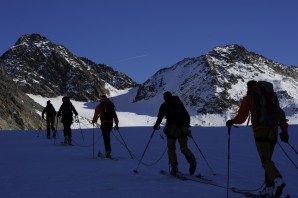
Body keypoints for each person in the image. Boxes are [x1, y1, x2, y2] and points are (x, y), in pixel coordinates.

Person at [226, 80, 289, 198]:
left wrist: (232, 122)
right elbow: (280, 113)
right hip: (274, 131)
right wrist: (284, 131)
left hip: (260, 131)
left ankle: (277, 179)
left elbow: (242, 117)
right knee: (268, 160)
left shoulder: (249, 97)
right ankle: (269, 189)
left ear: (249, 87)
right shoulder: (271, 96)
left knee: (265, 160)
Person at [153, 91, 196, 176]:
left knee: (171, 148)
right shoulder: (179, 103)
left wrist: (155, 126)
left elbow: (160, 117)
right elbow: (187, 115)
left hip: (171, 129)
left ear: (165, 97)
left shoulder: (164, 105)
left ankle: (174, 168)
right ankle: (191, 159)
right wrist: (186, 126)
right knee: (184, 148)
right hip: (182, 128)